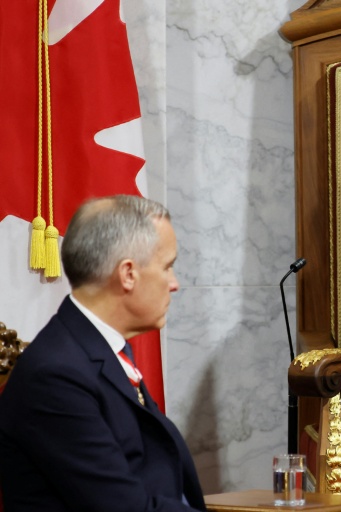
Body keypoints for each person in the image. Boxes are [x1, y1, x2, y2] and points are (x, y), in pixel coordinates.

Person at [0, 195, 206, 512]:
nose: (174, 284)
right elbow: (123, 507)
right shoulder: (55, 376)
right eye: (167, 267)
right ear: (128, 274)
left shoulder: (98, 352)